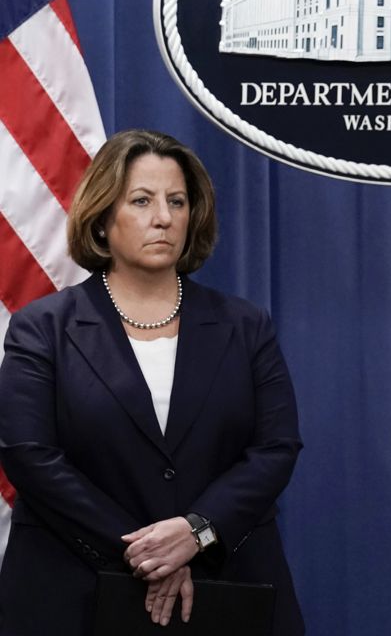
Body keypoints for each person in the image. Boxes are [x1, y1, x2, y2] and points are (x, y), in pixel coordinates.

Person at [0, 130, 304, 634]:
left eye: (177, 201)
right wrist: (152, 552)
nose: (163, 217)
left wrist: (197, 532)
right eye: (141, 200)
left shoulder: (245, 325)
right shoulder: (43, 327)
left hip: (223, 584)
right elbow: (29, 454)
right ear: (102, 217)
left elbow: (276, 448)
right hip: (74, 587)